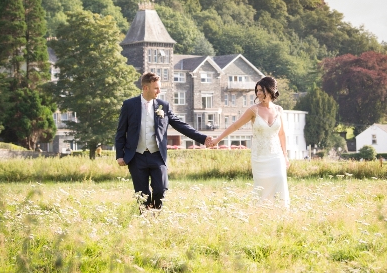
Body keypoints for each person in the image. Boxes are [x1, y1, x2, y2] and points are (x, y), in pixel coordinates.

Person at [116, 72, 213, 211]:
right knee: (142, 194)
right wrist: (120, 155)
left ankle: (155, 215)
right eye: (156, 88)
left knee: (160, 190)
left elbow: (180, 125)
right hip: (136, 157)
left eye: (159, 88)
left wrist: (203, 138)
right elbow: (120, 132)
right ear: (145, 88)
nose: (159, 91)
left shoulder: (163, 106)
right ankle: (146, 219)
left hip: (157, 156)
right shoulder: (129, 105)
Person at [208, 76, 290, 207]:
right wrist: (217, 139)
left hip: (276, 156)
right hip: (260, 157)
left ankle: (280, 211)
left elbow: (282, 134)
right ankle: (260, 212)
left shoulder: (279, 110)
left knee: (280, 180)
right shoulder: (253, 110)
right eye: (257, 90)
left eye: (261, 90)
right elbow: (235, 125)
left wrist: (285, 156)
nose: (258, 93)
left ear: (270, 90)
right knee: (262, 187)